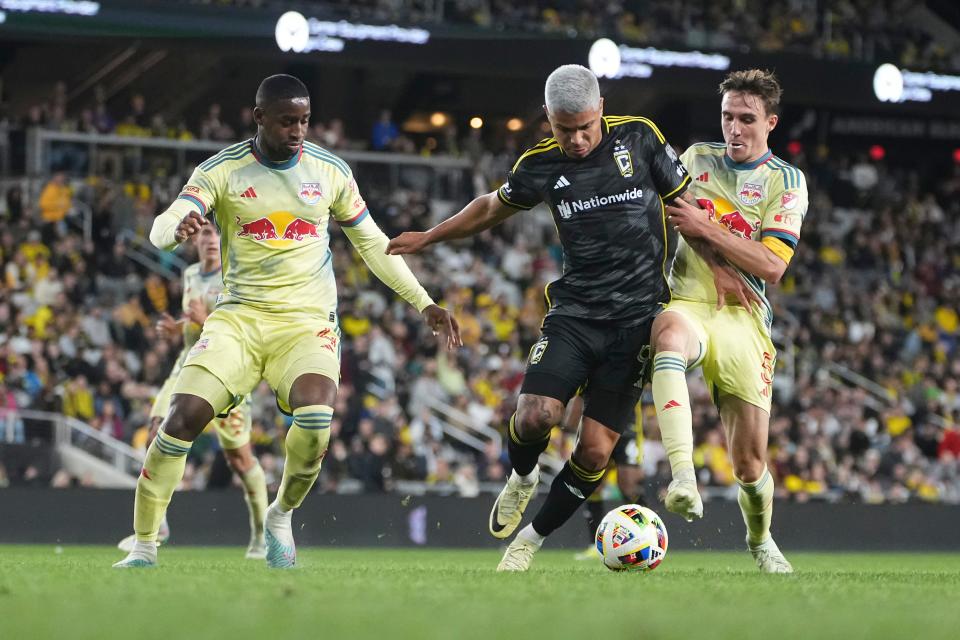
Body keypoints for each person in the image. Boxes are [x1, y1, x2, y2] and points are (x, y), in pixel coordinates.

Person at [387, 64, 751, 572]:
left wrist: (720, 268)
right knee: (536, 414)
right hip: (576, 314)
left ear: (600, 110)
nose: (577, 140)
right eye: (564, 130)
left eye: (585, 127)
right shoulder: (540, 164)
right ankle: (520, 477)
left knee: (596, 454)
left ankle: (529, 542)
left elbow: (686, 209)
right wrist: (429, 237)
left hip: (636, 323)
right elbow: (492, 207)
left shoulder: (640, 139)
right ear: (549, 121)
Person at [114, 74, 460, 569]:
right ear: (258, 118)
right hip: (239, 320)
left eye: (303, 120)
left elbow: (372, 244)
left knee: (317, 417)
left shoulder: (330, 171)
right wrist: (176, 230)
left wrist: (424, 301)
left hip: (306, 322)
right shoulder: (223, 170)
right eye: (286, 121)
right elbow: (162, 224)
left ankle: (280, 515)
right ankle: (144, 546)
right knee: (180, 419)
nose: (297, 130)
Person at [653, 69, 808, 573]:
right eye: (727, 117)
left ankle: (761, 541)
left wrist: (705, 227)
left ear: (770, 123)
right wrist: (711, 252)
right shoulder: (697, 159)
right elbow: (676, 211)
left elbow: (772, 265)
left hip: (745, 315)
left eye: (746, 119)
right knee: (668, 336)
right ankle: (683, 479)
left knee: (749, 464)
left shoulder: (785, 181)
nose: (734, 129)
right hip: (691, 298)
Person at [116, 223, 268, 559]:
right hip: (187, 364)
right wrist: (179, 327)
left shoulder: (237, 274)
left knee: (240, 460)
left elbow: (245, 324)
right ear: (195, 241)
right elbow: (193, 320)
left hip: (226, 368)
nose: (211, 240)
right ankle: (158, 527)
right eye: (205, 235)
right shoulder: (190, 275)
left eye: (216, 234)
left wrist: (205, 318)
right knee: (156, 431)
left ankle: (262, 533)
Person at [561, 395, 648, 561]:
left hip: (627, 430)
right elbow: (579, 399)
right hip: (597, 428)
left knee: (628, 485)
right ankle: (595, 544)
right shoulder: (590, 369)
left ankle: (646, 535)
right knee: (593, 485)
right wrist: (568, 433)